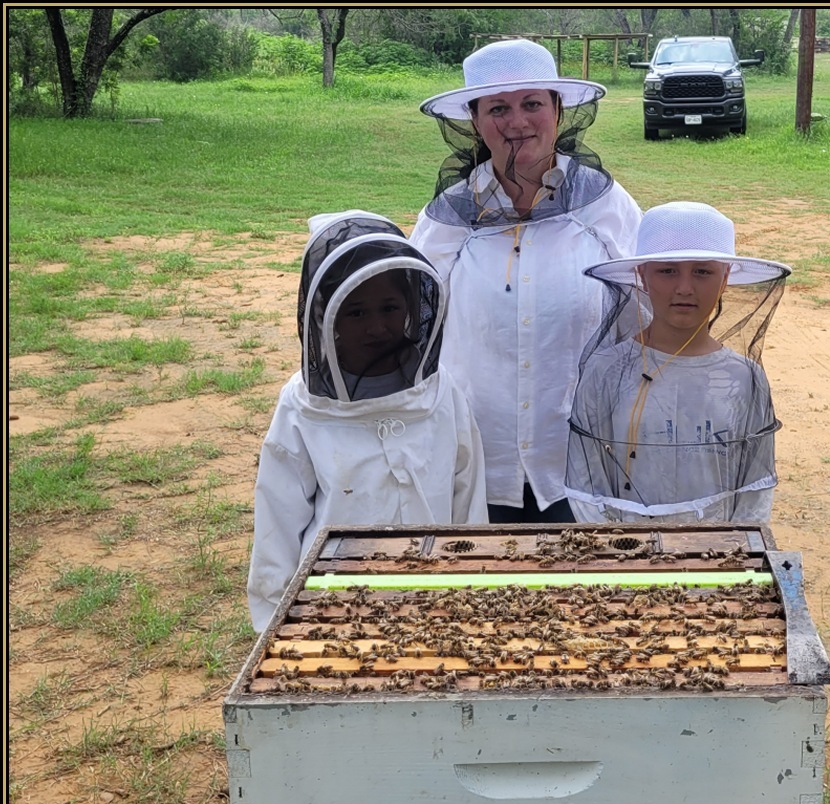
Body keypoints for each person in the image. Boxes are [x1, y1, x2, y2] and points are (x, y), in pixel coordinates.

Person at [409, 38, 643, 523]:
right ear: (475, 120)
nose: (517, 122)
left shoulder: (604, 205)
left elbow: (649, 308)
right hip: (475, 458)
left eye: (532, 103)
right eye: (498, 107)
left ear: (558, 110)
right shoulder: (448, 218)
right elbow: (412, 323)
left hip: (583, 453)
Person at [247, 211, 487, 632]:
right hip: (335, 605)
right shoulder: (301, 407)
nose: (377, 325)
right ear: (326, 312)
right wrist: (276, 625)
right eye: (356, 312)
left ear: (414, 306)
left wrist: (472, 581)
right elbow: (278, 521)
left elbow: (467, 493)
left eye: (390, 307)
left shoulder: (440, 391)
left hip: (435, 595)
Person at [565, 201, 791, 525]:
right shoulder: (605, 371)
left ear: (725, 277)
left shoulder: (743, 378)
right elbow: (586, 486)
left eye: (702, 271)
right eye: (668, 270)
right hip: (625, 562)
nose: (684, 288)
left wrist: (732, 554)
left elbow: (754, 492)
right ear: (642, 276)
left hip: (716, 560)